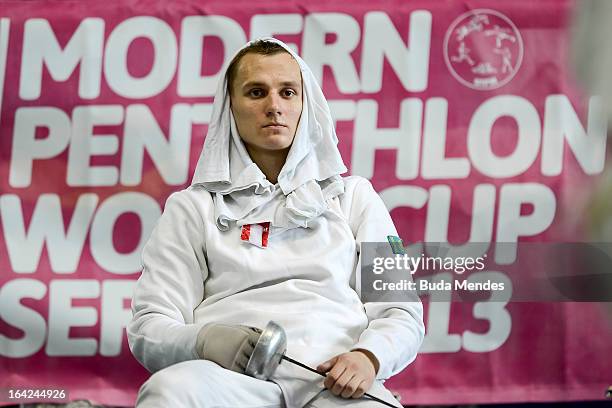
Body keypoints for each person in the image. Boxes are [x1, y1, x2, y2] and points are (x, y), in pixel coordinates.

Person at [127, 37, 424, 408]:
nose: (274, 106)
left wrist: (369, 357)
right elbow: (149, 327)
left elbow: (400, 310)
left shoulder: (355, 197)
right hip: (229, 383)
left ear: (306, 104)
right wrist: (204, 340)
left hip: (334, 384)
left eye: (287, 92)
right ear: (229, 108)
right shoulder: (192, 208)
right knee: (169, 391)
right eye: (255, 92)